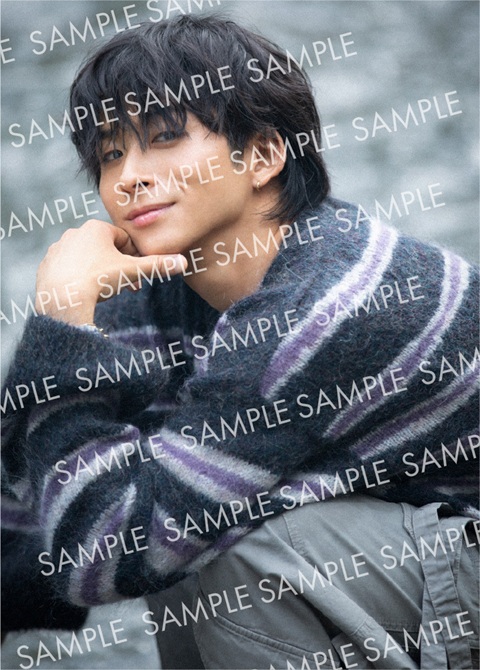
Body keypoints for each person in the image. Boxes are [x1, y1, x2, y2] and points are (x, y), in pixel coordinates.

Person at [1, 13, 478, 670]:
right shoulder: (152, 291)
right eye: (110, 154)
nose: (130, 176)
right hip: (399, 547)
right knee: (180, 525)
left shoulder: (322, 310)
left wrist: (61, 321)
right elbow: (28, 516)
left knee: (227, 554)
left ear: (262, 156)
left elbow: (100, 556)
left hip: (462, 552)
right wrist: (68, 332)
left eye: (164, 138)